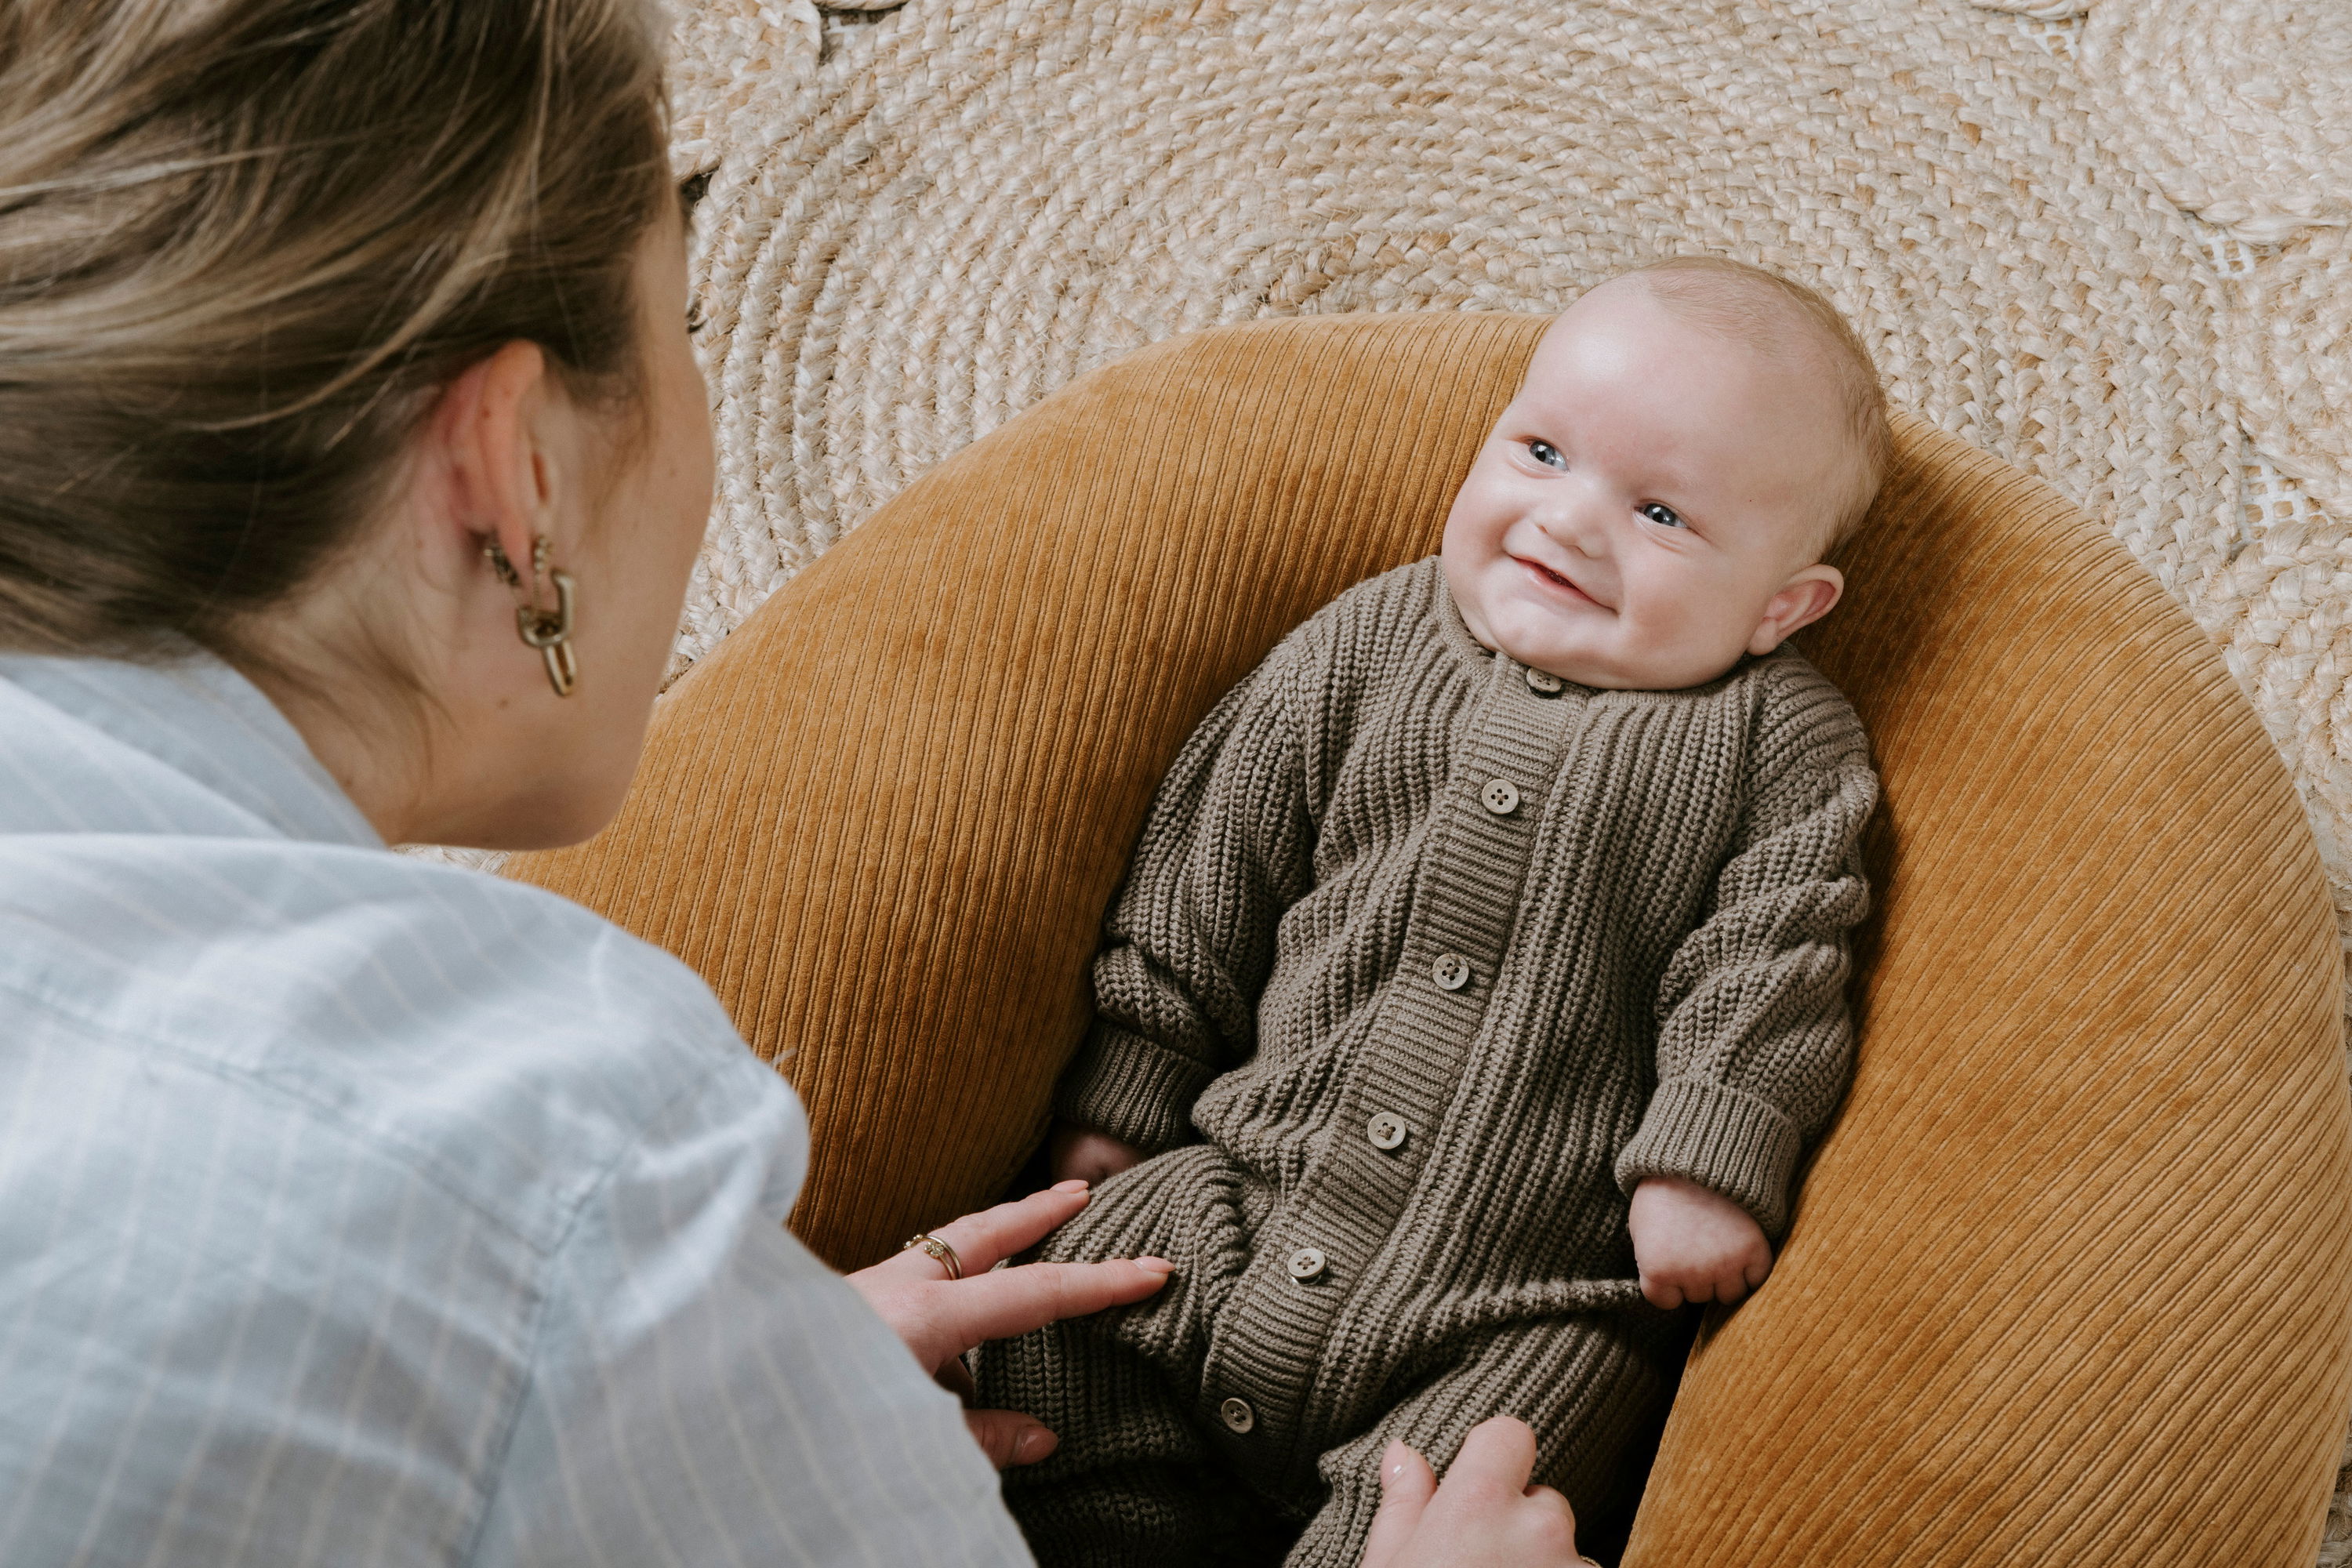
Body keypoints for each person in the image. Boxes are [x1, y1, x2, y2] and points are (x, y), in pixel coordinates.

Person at [0, 2, 1599, 1563]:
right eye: (682, 328)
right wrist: (610, 1336)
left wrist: (691, 1399)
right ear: (515, 477)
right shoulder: (553, 1145)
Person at [979, 260, 1889, 1565]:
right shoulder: (1371, 639)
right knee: (1045, 1320)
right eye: (1540, 451)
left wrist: (1706, 1153)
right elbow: (1211, 863)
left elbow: (1777, 951)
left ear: (1781, 607)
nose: (1568, 523)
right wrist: (1123, 1098)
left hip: (1515, 1309)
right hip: (1241, 1201)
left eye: (1661, 514)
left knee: (1496, 1480)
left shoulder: (1778, 743)